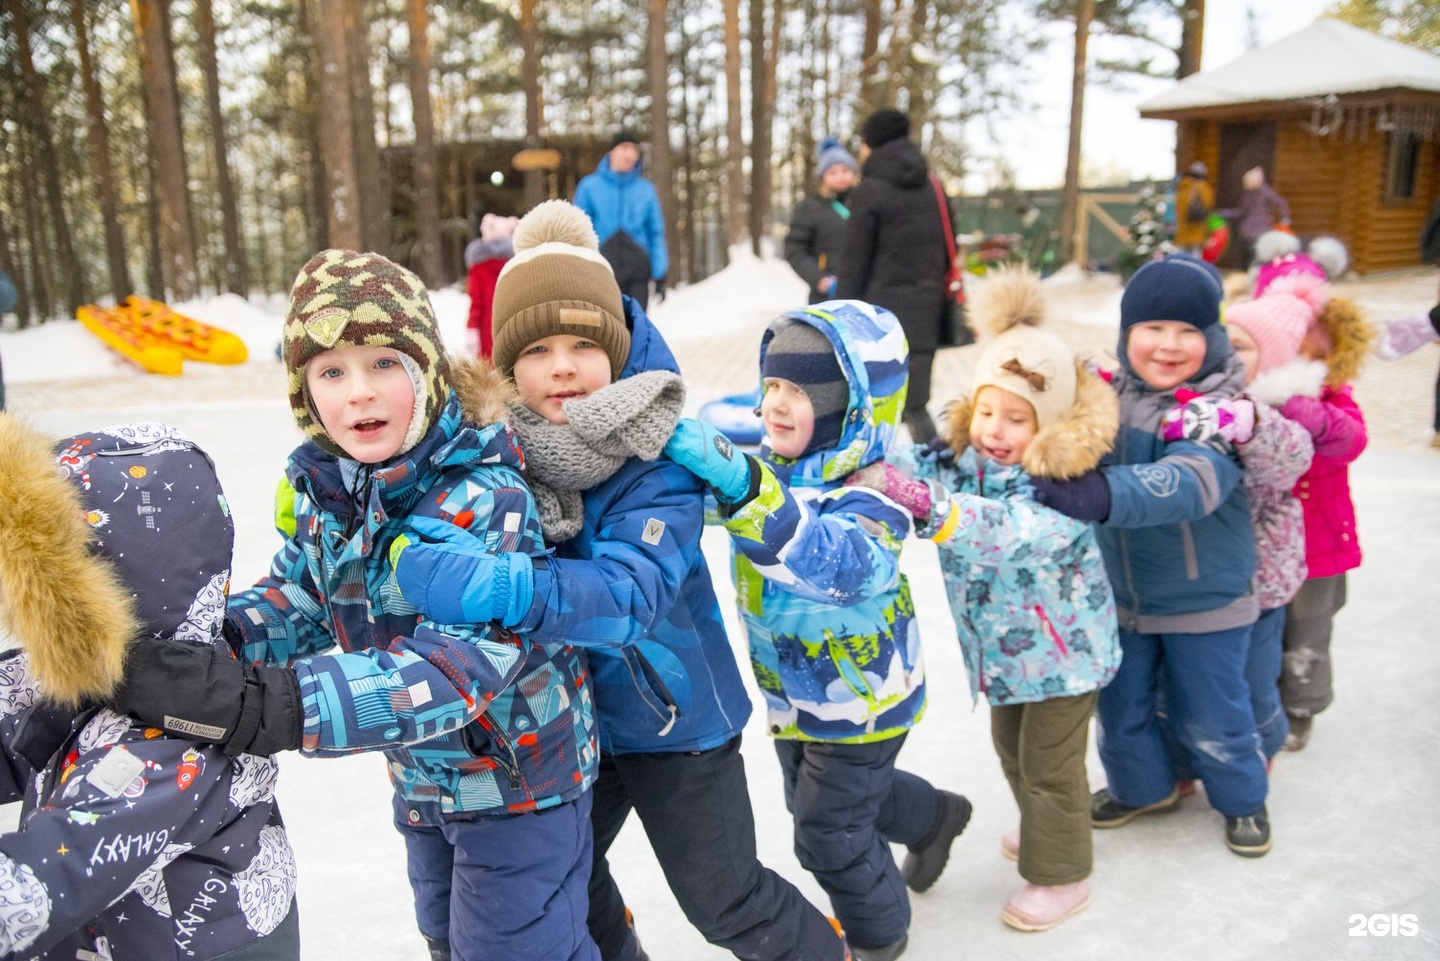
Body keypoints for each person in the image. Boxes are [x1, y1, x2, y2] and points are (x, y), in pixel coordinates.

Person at [389, 201, 851, 961]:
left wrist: (497, 587)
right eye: (536, 348)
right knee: (563, 880)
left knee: (725, 899)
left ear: (619, 347)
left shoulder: (660, 454)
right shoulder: (492, 457)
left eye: (582, 343)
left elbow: (631, 596)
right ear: (507, 365)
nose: (561, 365)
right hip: (564, 727)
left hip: (678, 724)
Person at [109, 249, 601, 961]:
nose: (358, 393)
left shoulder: (482, 495)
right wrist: (217, 641)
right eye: (331, 371)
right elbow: (304, 597)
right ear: (305, 392)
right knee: (447, 937)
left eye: (382, 364)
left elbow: (454, 670)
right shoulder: (334, 491)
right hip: (423, 779)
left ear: (426, 373)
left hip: (521, 783)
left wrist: (276, 704)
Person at [663, 300, 970, 961]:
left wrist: (744, 488)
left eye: (798, 390)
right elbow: (728, 491)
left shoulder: (877, 495)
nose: (775, 403)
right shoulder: (778, 465)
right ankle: (936, 815)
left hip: (865, 696)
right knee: (826, 803)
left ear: (848, 408)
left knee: (826, 834)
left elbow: (835, 565)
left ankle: (880, 935)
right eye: (771, 383)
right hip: (794, 693)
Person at [845, 268, 1122, 932]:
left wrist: (927, 506)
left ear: (1050, 421)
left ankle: (1064, 870)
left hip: (1064, 657)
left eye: (1017, 417)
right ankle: (1050, 827)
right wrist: (879, 467)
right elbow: (923, 468)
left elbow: (1002, 532)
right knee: (1013, 750)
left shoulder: (1061, 487)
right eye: (989, 409)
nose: (997, 429)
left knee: (1051, 766)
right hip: (1002, 654)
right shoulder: (971, 457)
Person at [0, 417, 299, 960]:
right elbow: (13, 717)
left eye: (29, 578)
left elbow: (48, 877)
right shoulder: (98, 674)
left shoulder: (164, 742)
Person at [1029, 254, 1271, 857]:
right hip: (1118, 597)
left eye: (1189, 330)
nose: (1169, 345)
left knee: (1213, 711)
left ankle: (1243, 798)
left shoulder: (1217, 410)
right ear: (1125, 334)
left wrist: (1101, 493)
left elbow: (1192, 483)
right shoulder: (1103, 400)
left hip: (1204, 598)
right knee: (1123, 709)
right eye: (1152, 328)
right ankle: (1144, 788)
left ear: (1212, 337)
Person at [1169, 288, 1318, 765]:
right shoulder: (1201, 398)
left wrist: (1247, 425)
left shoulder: (1271, 411)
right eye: (1224, 342)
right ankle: (1194, 754)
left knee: (1253, 678)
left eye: (1244, 347)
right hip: (1208, 577)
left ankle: (1264, 743)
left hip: (1262, 580)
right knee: (1204, 682)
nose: (1229, 354)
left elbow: (1287, 464)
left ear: (1270, 361)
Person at [1275, 273, 1373, 750]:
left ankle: (1301, 705)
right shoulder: (1261, 393)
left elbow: (1349, 441)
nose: (1305, 364)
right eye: (1297, 352)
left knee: (1308, 631)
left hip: (1320, 546)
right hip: (1267, 542)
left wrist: (1311, 413)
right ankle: (1267, 699)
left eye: (1317, 355)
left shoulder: (1335, 400)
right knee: (1267, 627)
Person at [836, 109, 950, 445]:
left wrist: (839, 311)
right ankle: (934, 463)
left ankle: (864, 469)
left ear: (871, 143)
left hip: (880, 315)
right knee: (916, 405)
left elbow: (854, 259)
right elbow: (948, 243)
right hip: (927, 308)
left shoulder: (871, 188)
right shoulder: (931, 183)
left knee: (869, 403)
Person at [574, 130, 668, 310]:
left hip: (637, 270)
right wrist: (580, 269)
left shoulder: (646, 190)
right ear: (612, 152)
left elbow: (655, 232)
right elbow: (578, 230)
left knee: (637, 327)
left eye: (634, 149)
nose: (629, 153)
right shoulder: (589, 187)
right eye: (624, 147)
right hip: (601, 269)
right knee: (605, 328)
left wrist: (660, 274)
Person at [786, 137, 859, 303]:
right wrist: (818, 278)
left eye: (845, 171)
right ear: (822, 177)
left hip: (863, 291)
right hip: (826, 295)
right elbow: (795, 249)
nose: (840, 177)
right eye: (833, 172)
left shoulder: (865, 203)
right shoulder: (809, 208)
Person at [463, 212, 517, 358]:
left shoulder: (478, 268)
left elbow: (476, 303)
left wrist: (472, 328)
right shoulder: (516, 266)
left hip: (485, 329)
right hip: (512, 326)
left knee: (487, 374)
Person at [1215, 166, 1291, 269]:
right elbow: (1241, 211)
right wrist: (1225, 213)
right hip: (1248, 233)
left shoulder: (1265, 192)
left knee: (1258, 257)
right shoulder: (1248, 194)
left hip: (1261, 231)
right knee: (1247, 258)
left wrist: (1285, 219)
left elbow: (1281, 203)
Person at [1173, 161, 1213, 255]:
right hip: (1197, 229)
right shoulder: (1204, 188)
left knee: (1182, 258)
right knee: (1195, 259)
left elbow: (1178, 208)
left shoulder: (1182, 187)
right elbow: (1208, 206)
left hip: (1183, 230)